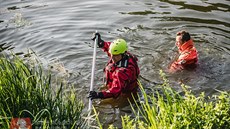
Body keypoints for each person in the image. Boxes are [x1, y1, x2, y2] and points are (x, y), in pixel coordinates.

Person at [88, 33, 140, 100]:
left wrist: (99, 95)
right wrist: (101, 42)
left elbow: (115, 91)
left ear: (123, 54)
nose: (112, 58)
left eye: (115, 55)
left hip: (126, 93)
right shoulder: (122, 54)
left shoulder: (122, 72)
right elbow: (109, 47)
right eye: (112, 54)